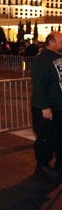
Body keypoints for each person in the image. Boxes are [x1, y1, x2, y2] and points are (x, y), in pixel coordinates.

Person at [31, 31, 62, 182]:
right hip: (47, 108)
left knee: (58, 137)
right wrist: (44, 106)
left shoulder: (58, 57)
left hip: (59, 107)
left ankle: (58, 163)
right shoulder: (41, 59)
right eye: (60, 40)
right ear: (51, 42)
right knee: (46, 138)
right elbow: (38, 84)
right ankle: (42, 166)